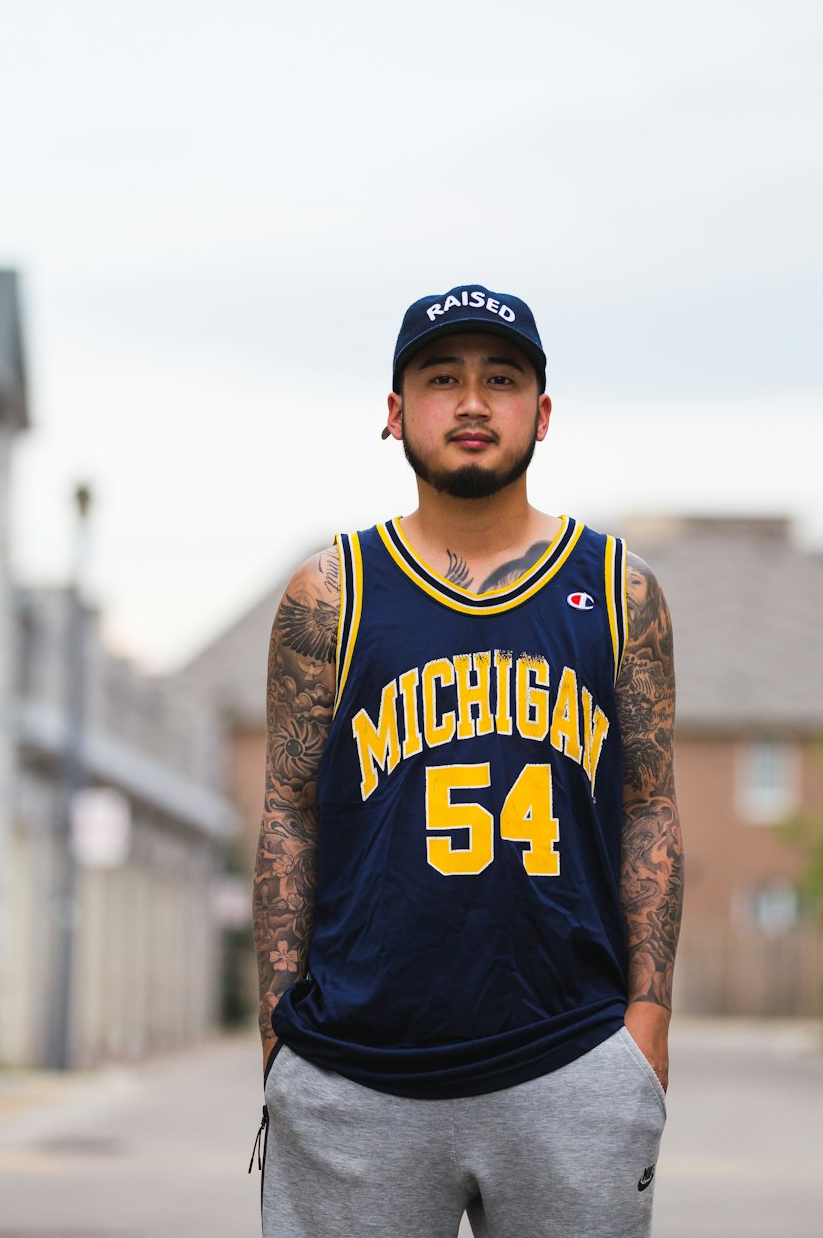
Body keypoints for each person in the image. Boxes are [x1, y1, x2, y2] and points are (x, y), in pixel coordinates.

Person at [250, 283, 684, 1238]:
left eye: (504, 378)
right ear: (397, 413)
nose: (475, 402)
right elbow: (289, 808)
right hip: (354, 1075)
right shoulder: (330, 592)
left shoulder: (619, 591)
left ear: (543, 412)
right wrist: (280, 1028)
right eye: (443, 379)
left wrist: (647, 1020)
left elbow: (650, 807)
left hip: (571, 1058)